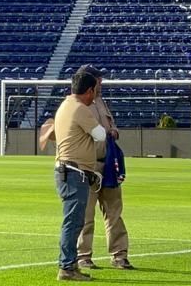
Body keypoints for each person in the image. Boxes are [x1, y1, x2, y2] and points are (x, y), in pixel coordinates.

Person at [50, 70, 108, 281]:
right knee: (73, 222)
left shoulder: (65, 105)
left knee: (74, 221)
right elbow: (100, 135)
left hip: (68, 171)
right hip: (74, 172)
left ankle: (71, 264)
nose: (96, 95)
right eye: (96, 90)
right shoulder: (80, 109)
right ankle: (66, 267)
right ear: (90, 90)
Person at [73, 66, 133, 271]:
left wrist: (114, 132)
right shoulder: (76, 105)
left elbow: (110, 128)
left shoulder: (101, 102)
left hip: (107, 164)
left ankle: (119, 255)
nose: (101, 82)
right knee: (85, 214)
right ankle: (83, 256)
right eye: (98, 79)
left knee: (114, 212)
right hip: (87, 166)